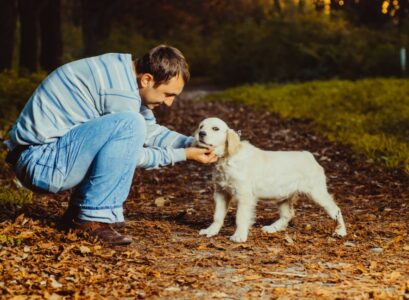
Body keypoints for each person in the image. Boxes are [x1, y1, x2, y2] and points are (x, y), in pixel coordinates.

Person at [4, 45, 217, 245]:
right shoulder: (119, 92)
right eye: (168, 94)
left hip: (42, 157)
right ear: (147, 80)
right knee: (131, 123)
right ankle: (92, 218)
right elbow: (129, 154)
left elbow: (150, 131)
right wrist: (183, 154)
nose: (169, 103)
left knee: (132, 123)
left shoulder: (122, 74)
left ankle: (79, 213)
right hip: (41, 163)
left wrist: (195, 143)